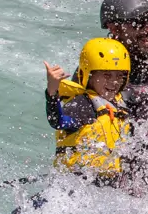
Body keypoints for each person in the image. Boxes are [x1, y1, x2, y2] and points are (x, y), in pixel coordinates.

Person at [43, 38, 135, 184]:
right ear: (88, 75)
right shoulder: (82, 105)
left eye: (120, 75)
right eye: (106, 75)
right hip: (75, 186)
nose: (114, 82)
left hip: (108, 188)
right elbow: (58, 121)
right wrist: (52, 92)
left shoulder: (121, 107)